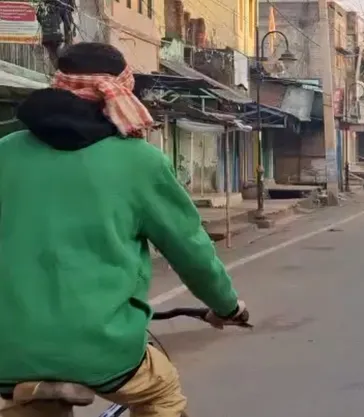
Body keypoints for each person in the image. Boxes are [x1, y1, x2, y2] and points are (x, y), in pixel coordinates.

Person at [0, 43, 248, 417]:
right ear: (115, 94)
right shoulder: (140, 160)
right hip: (104, 350)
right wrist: (226, 307)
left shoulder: (5, 151)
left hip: (10, 352)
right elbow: (190, 249)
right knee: (161, 395)